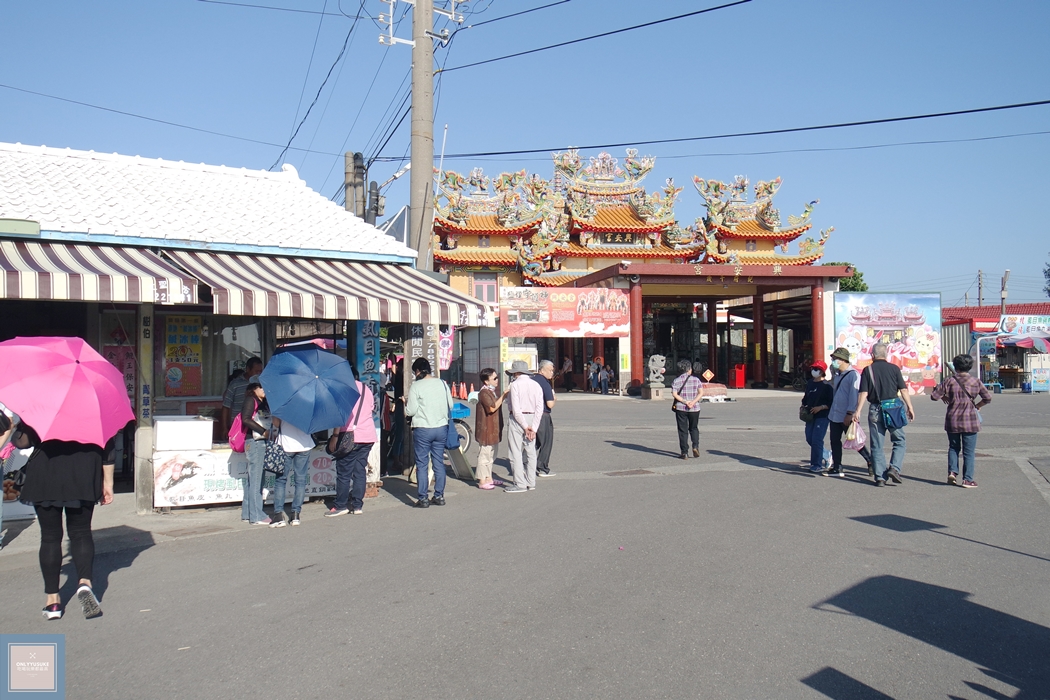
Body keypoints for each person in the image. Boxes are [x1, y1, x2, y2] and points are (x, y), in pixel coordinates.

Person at [15, 422, 115, 620]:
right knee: (81, 532)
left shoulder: (43, 407)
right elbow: (108, 449)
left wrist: (19, 425)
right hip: (84, 474)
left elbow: (22, 443)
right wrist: (108, 484)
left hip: (45, 473)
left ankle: (53, 602)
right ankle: (85, 583)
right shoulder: (93, 409)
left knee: (50, 537)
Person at [854, 342, 915, 486]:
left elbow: (864, 392)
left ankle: (880, 477)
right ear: (886, 354)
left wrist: (858, 411)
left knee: (876, 445)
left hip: (875, 409)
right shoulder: (894, 369)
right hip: (893, 408)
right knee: (899, 440)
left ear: (872, 355)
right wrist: (910, 407)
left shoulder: (867, 370)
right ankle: (894, 468)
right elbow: (904, 390)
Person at [931, 354, 991, 488]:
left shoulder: (949, 381)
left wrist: (943, 396)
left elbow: (934, 396)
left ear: (955, 366)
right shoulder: (975, 381)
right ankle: (967, 480)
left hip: (952, 419)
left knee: (953, 447)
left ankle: (952, 472)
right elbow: (988, 398)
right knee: (969, 451)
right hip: (970, 420)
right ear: (969, 366)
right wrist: (978, 406)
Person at [326, 366, 376, 516]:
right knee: (359, 471)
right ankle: (358, 505)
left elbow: (339, 415)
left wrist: (335, 436)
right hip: (368, 435)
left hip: (349, 435)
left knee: (344, 472)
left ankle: (341, 505)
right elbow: (371, 408)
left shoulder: (343, 390)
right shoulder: (366, 389)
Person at [404, 358, 453, 508]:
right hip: (441, 428)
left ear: (417, 371)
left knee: (422, 463)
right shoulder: (442, 384)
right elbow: (450, 405)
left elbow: (411, 410)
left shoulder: (416, 386)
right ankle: (439, 495)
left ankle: (423, 498)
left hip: (423, 429)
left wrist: (404, 404)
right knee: (438, 462)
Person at [826, 347, 872, 477]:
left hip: (846, 415)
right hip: (834, 414)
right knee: (834, 441)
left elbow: (854, 395)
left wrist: (850, 413)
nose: (833, 361)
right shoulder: (838, 374)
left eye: (835, 359)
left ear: (843, 360)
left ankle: (870, 461)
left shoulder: (853, 375)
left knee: (855, 441)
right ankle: (837, 466)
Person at [269, 414, 315, 527]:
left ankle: (279, 515)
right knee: (300, 480)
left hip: (286, 443)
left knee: (280, 480)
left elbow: (276, 424)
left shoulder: (284, 402)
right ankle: (295, 515)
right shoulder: (309, 402)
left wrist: (274, 415)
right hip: (304, 444)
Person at [505, 360, 544, 493]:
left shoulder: (514, 385)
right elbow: (540, 407)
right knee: (531, 451)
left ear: (516, 372)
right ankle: (531, 481)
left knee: (515, 450)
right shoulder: (536, 385)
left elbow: (515, 409)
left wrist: (524, 425)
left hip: (517, 419)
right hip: (533, 417)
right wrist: (533, 427)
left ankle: (520, 483)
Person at [240, 376, 272, 524]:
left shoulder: (260, 403)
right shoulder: (250, 401)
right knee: (256, 479)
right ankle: (257, 515)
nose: (264, 390)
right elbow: (245, 419)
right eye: (261, 387)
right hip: (255, 442)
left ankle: (247, 513)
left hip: (254, 442)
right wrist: (263, 431)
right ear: (253, 389)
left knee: (252, 479)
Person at [475, 368, 507, 490]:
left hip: (493, 429)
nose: (497, 380)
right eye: (494, 378)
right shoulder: (484, 393)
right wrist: (503, 395)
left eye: (497, 377)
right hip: (486, 430)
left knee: (492, 455)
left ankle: (489, 477)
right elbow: (492, 408)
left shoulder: (491, 391)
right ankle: (482, 480)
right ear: (486, 381)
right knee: (484, 455)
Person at [802, 361, 834, 474]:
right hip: (810, 415)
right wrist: (803, 406)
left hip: (822, 415)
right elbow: (806, 397)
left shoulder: (827, 386)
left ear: (822, 372)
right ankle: (826, 454)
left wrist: (821, 407)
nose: (814, 371)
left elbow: (832, 402)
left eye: (817, 369)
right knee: (809, 438)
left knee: (817, 439)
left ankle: (816, 464)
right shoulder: (810, 383)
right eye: (813, 368)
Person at [222, 357, 261, 438]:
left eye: (260, 371)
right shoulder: (235, 384)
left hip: (257, 426)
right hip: (238, 427)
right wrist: (224, 428)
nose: (258, 374)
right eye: (256, 371)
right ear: (248, 369)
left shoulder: (261, 385)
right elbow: (226, 407)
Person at [671, 359, 703, 460]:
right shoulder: (696, 380)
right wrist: (693, 402)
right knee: (694, 428)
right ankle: (695, 446)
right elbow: (701, 393)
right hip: (694, 408)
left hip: (681, 408)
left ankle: (684, 452)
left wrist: (685, 401)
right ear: (689, 369)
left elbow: (674, 394)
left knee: (682, 430)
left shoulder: (676, 380)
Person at [531, 360, 557, 477]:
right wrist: (555, 398)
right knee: (546, 441)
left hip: (530, 414)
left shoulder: (532, 380)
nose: (552, 373)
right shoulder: (545, 383)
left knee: (533, 441)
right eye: (550, 370)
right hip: (543, 415)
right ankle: (542, 467)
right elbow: (550, 403)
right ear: (542, 369)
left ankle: (523, 463)